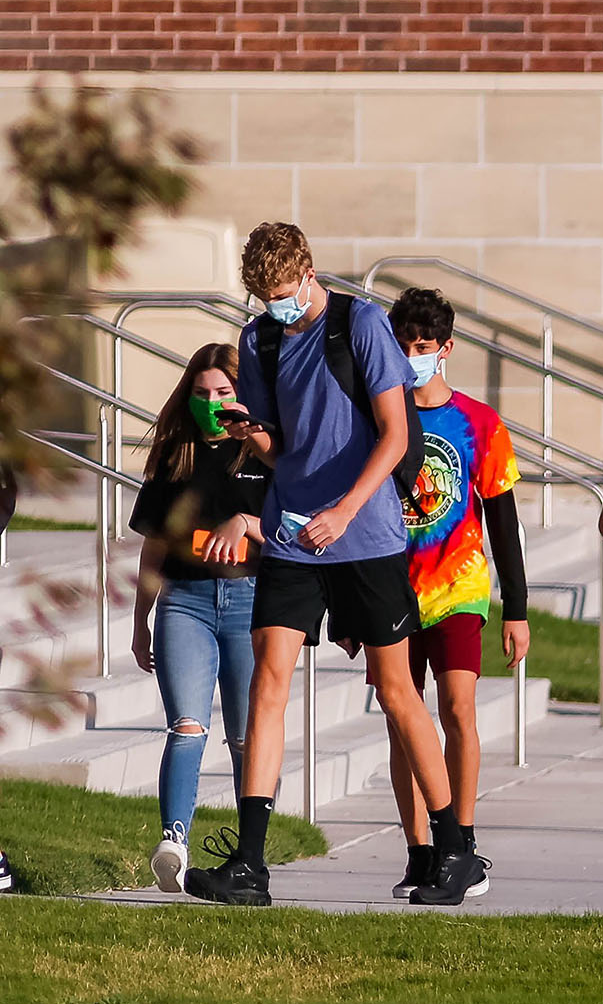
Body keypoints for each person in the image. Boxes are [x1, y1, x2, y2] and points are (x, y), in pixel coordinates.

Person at [184, 222, 475, 908]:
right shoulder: (258, 340)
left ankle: (454, 848)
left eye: (283, 293)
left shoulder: (362, 325)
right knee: (268, 681)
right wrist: (247, 434)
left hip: (366, 534)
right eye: (264, 296)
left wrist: (344, 511)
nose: (275, 306)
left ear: (309, 272)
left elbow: (397, 432)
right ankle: (250, 864)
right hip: (292, 533)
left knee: (396, 688)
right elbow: (283, 445)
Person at [383, 289, 531, 900]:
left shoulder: (480, 423)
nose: (413, 357)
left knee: (457, 711)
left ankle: (461, 842)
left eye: (424, 347)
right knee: (401, 717)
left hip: (459, 586)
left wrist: (516, 610)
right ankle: (420, 849)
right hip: (390, 584)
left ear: (446, 349)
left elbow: (503, 521)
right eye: (403, 346)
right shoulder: (379, 416)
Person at [127, 343, 273, 894]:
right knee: (187, 725)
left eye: (224, 393)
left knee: (244, 736)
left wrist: (247, 524)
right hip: (184, 602)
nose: (213, 403)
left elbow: (294, 529)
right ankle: (174, 840)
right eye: (202, 393)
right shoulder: (174, 457)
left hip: (249, 601)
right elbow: (154, 547)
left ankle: (247, 853)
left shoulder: (263, 454)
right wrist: (141, 619)